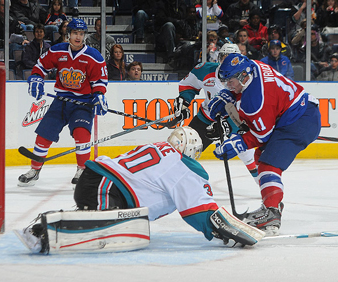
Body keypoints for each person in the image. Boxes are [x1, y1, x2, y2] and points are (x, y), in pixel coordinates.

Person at [15, 127, 265, 254]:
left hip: (96, 183)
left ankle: (53, 228)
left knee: (111, 225)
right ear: (191, 150)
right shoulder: (181, 167)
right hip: (106, 185)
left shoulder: (160, 148)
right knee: (105, 228)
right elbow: (200, 211)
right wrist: (224, 232)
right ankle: (41, 231)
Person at [208, 53, 321, 235]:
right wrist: (228, 95)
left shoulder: (255, 101)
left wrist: (236, 145)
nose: (228, 85)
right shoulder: (253, 66)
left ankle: (271, 213)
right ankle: (271, 204)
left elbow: (262, 136)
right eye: (226, 82)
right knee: (261, 158)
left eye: (231, 81)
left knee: (269, 165)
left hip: (300, 120)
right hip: (297, 112)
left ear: (243, 76)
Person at [18, 18, 108, 186]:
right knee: (44, 135)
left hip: (83, 103)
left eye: (81, 34)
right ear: (68, 34)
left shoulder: (93, 57)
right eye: (75, 33)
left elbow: (100, 81)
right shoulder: (57, 51)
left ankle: (82, 169)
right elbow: (40, 66)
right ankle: (35, 170)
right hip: (61, 101)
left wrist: (99, 95)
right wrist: (36, 77)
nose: (78, 37)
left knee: (82, 134)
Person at [173, 43, 258, 182]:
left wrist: (229, 126)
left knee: (246, 152)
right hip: (206, 118)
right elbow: (188, 84)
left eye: (231, 58)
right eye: (223, 57)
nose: (226, 61)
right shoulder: (205, 70)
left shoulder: (246, 79)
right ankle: (176, 183)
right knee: (185, 146)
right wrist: (184, 101)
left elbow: (246, 109)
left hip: (234, 121)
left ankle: (262, 184)